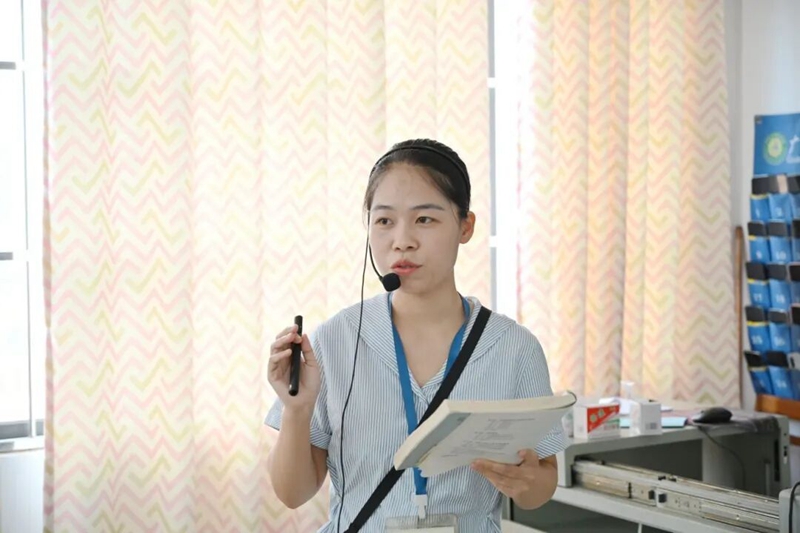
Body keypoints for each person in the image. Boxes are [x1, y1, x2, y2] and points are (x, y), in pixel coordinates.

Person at [265, 139, 565, 533]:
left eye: (424, 219)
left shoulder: (514, 348)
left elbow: (542, 483)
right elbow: (292, 493)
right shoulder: (334, 341)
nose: (402, 240)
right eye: (384, 221)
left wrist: (526, 482)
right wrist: (296, 410)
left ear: (466, 226)